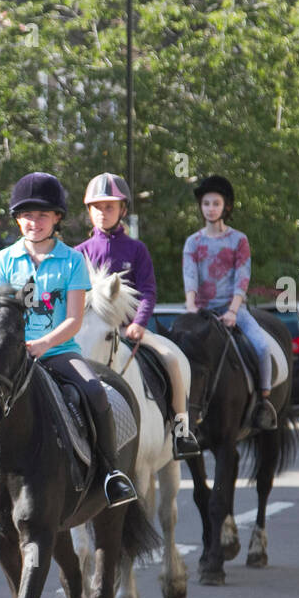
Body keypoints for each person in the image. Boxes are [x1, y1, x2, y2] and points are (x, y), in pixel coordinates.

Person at [0, 171, 138, 513]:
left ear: (57, 218)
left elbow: (74, 320)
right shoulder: (3, 261)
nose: (34, 222)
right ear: (17, 219)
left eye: (42, 215)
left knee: (95, 392)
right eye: (27, 215)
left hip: (57, 352)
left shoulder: (72, 261)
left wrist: (43, 344)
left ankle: (110, 474)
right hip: (6, 360)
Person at [76, 172, 200, 459]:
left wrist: (138, 324)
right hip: (90, 332)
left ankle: (181, 429)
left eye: (109, 207)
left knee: (170, 359)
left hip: (129, 330)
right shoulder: (77, 253)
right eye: (97, 207)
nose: (102, 213)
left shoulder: (136, 249)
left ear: (123, 210)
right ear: (89, 211)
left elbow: (148, 292)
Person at [182, 175, 276, 431]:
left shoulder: (239, 240)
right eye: (206, 203)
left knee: (261, 345)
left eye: (216, 203)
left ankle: (263, 401)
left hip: (232, 308)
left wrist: (233, 311)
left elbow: (242, 277)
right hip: (201, 311)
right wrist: (191, 307)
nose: (210, 208)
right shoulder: (193, 242)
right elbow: (190, 276)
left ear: (226, 207)